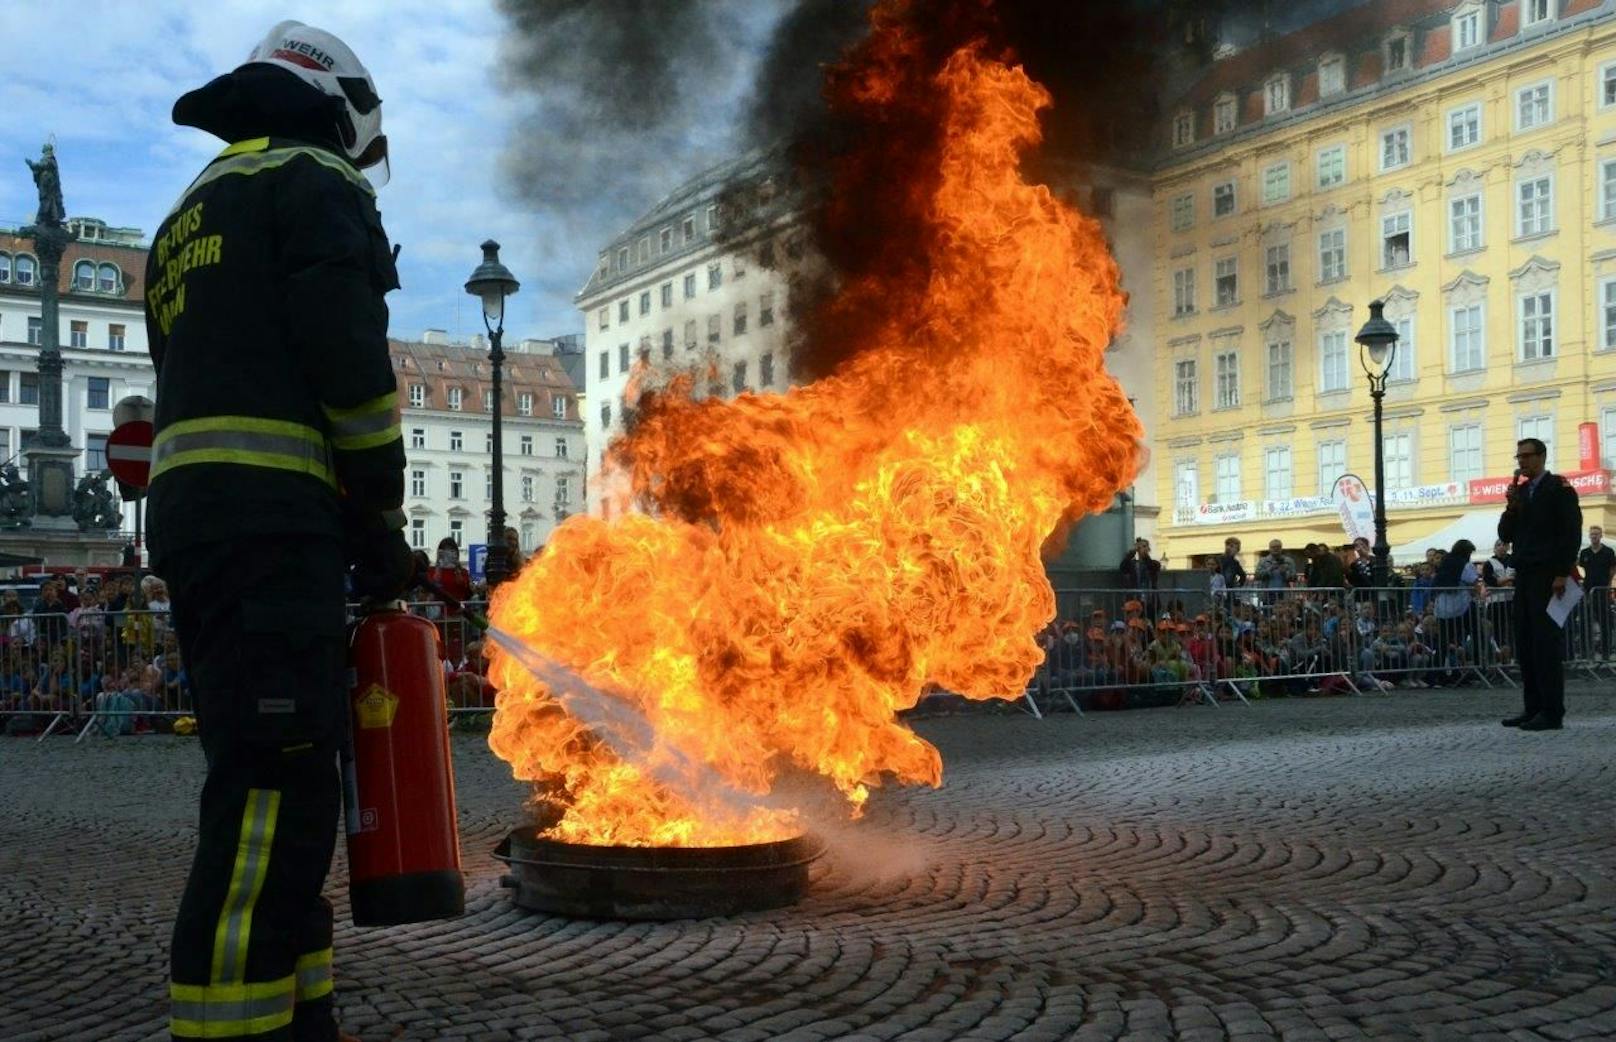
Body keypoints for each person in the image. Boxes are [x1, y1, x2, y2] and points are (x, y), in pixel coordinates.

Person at [145, 22, 409, 1042]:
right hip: (271, 526)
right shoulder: (314, 184)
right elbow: (350, 369)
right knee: (267, 798)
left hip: (209, 528)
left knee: (285, 788)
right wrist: (376, 512)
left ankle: (300, 1021)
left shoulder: (190, 211)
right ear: (338, 104)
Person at [1498, 438, 1580, 731]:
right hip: (1525, 574)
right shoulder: (1520, 492)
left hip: (1548, 575)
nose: (1522, 462)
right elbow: (1505, 534)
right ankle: (1532, 707)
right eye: (1519, 456)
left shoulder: (1558, 489)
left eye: (1528, 456)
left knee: (1546, 644)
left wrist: (1561, 572)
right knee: (1526, 643)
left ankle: (1552, 711)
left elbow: (1570, 533)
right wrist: (1511, 507)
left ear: (1542, 457)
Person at [1577, 525, 1614, 660]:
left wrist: (1608, 585)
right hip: (1587, 592)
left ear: (1601, 535)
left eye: (1596, 534)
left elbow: (1612, 569)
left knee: (1604, 622)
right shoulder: (1585, 553)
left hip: (1602, 591)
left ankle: (1606, 652)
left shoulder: (1608, 552)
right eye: (1592, 534)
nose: (1594, 536)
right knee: (1585, 621)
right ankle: (1586, 651)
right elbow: (1581, 569)